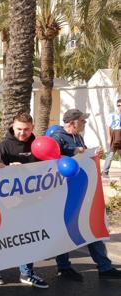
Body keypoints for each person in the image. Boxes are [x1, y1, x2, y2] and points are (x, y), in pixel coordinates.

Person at [50, 109, 121, 280]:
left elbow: (81, 156)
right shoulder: (57, 138)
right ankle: (64, 267)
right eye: (82, 120)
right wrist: (70, 152)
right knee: (64, 231)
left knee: (90, 227)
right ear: (72, 122)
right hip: (63, 193)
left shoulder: (77, 136)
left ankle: (104, 267)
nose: (85, 123)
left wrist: (92, 156)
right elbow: (51, 160)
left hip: (81, 190)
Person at [0, 113, 49, 288]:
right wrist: (7, 170)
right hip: (8, 204)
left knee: (29, 238)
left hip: (33, 201)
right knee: (2, 238)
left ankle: (26, 273)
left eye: (26, 129)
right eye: (19, 129)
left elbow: (51, 165)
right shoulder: (3, 146)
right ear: (13, 126)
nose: (22, 133)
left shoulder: (39, 145)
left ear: (33, 127)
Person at [102, 99, 121, 177]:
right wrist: (109, 138)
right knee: (110, 154)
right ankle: (105, 171)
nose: (120, 107)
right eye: (118, 105)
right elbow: (108, 127)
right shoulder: (112, 115)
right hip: (114, 135)